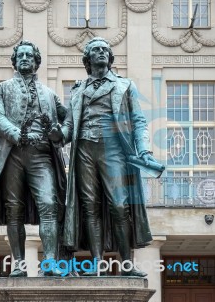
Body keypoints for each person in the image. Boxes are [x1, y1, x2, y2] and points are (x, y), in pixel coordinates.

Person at [49, 37, 161, 277]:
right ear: (87, 59)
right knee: (90, 207)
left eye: (104, 50)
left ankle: (127, 264)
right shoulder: (78, 90)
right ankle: (98, 263)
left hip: (114, 149)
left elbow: (139, 121)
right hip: (84, 151)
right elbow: (70, 124)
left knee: (119, 206)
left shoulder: (125, 85)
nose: (100, 52)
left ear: (110, 58)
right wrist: (59, 134)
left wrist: (144, 151)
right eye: (95, 50)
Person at [0, 40, 67, 277]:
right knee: (14, 210)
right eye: (20, 55)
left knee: (49, 204)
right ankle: (19, 264)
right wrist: (15, 133)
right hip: (12, 153)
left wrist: (59, 133)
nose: (24, 58)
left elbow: (67, 123)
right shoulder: (0, 89)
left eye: (29, 56)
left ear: (36, 62)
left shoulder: (50, 94)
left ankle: (51, 261)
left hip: (41, 156)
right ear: (14, 61)